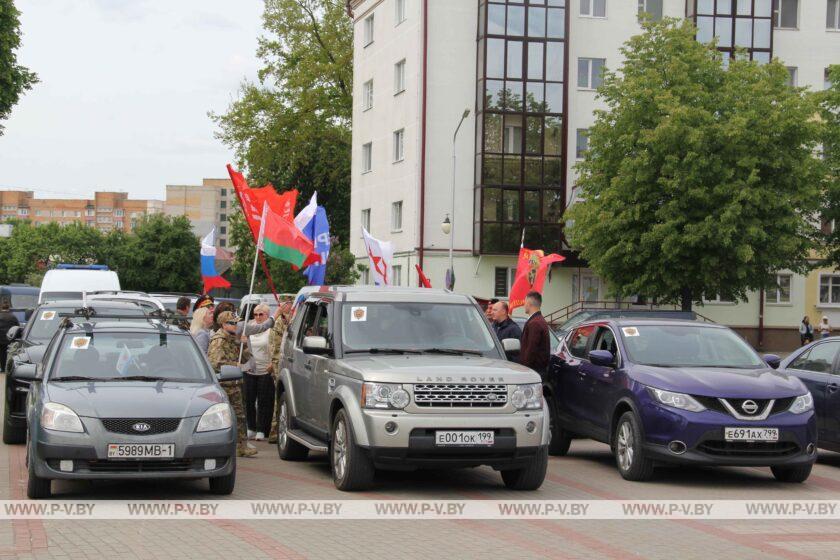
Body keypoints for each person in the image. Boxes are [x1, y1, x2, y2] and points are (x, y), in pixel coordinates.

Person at [207, 307, 281, 457]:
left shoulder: (233, 338)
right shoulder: (219, 340)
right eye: (232, 323)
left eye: (236, 323)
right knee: (225, 418)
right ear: (223, 324)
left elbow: (248, 360)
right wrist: (236, 366)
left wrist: (244, 344)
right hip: (225, 385)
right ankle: (222, 446)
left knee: (240, 417)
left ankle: (241, 446)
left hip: (234, 384)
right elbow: (215, 363)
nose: (236, 325)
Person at [243, 304, 276, 441]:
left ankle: (262, 429)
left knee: (264, 401)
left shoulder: (271, 330)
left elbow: (276, 347)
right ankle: (251, 427)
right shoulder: (248, 327)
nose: (257, 317)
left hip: (265, 370)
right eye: (255, 314)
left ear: (267, 315)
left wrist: (272, 364)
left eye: (261, 314)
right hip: (249, 369)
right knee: (249, 400)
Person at [268, 300, 294, 444]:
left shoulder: (289, 320)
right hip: (280, 363)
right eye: (288, 304)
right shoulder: (279, 322)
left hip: (284, 362)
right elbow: (275, 345)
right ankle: (274, 431)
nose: (290, 307)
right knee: (280, 398)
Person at [519, 291, 550, 376]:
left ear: (529, 304)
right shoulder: (538, 320)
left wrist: (524, 369)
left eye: (525, 302)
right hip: (536, 370)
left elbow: (531, 349)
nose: (524, 305)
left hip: (533, 371)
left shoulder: (535, 323)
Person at [0, 302, 19, 373]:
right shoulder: (13, 317)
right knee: (10, 353)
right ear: (9, 308)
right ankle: (8, 368)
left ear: (1, 308)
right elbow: (17, 326)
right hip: (10, 338)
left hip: (1, 339)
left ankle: (2, 368)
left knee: (2, 353)